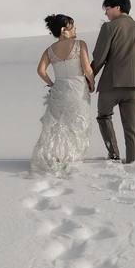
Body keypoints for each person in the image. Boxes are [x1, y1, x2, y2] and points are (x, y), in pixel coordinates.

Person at [90, 0, 135, 164]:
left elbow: (100, 57)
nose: (106, 13)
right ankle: (133, 163)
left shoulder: (109, 27)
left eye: (107, 9)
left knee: (103, 116)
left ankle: (114, 154)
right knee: (132, 129)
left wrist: (89, 78)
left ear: (118, 8)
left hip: (111, 84)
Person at [30, 14, 95, 175]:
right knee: (75, 124)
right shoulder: (80, 44)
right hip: (78, 88)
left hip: (59, 88)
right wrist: (92, 83)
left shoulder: (49, 50)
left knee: (58, 125)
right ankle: (71, 157)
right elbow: (87, 69)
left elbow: (40, 70)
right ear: (64, 29)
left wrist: (52, 83)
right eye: (73, 26)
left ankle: (56, 156)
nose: (76, 29)